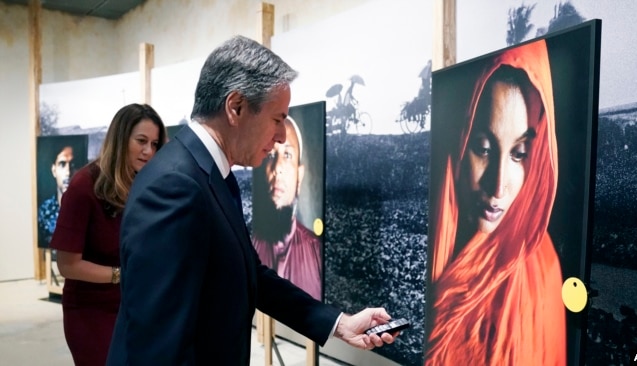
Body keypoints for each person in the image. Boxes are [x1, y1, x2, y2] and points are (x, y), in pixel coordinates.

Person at [107, 35, 397, 365]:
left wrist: (339, 324)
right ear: (236, 107)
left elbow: (250, 273)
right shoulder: (175, 187)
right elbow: (158, 343)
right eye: (277, 119)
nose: (281, 136)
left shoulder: (210, 174)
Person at [424, 40, 565, 366]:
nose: (498, 185)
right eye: (484, 148)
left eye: (519, 154)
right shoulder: (432, 238)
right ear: (458, 143)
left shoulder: (542, 272)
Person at [49, 103, 166, 366]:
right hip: (91, 311)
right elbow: (67, 265)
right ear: (120, 139)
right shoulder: (83, 187)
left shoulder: (146, 184)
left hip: (136, 307)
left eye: (155, 144)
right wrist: (121, 276)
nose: (149, 151)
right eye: (141, 141)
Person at [252, 116, 322, 300]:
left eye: (288, 155)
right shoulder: (248, 246)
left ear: (299, 176)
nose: (278, 168)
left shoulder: (316, 253)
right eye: (271, 156)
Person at [37, 144, 74, 247]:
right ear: (54, 170)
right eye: (62, 164)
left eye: (72, 165)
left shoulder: (85, 210)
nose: (68, 172)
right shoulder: (44, 212)